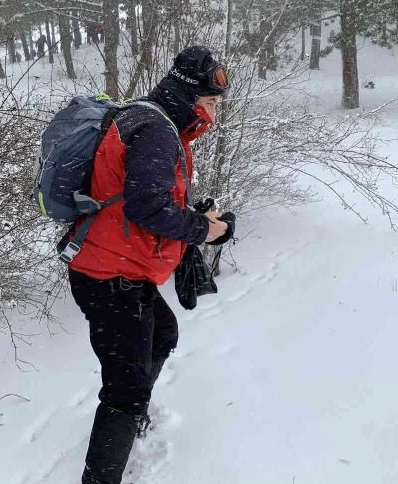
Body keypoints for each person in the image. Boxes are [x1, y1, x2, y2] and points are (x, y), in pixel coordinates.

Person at [67, 45, 231, 484]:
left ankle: (132, 414)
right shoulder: (157, 130)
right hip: (110, 276)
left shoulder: (145, 116)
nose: (212, 113)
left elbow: (141, 195)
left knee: (163, 333)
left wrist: (197, 215)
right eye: (209, 102)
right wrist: (205, 230)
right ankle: (103, 471)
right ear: (186, 96)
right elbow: (147, 207)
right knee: (125, 386)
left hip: (114, 267)